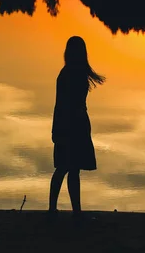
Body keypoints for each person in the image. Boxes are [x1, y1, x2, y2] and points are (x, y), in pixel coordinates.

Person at [48, 36, 105, 220]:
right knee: (66, 168)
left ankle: (68, 210)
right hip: (73, 124)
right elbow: (62, 104)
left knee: (70, 168)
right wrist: (57, 129)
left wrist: (56, 128)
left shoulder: (70, 73)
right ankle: (60, 210)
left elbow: (60, 104)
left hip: (74, 124)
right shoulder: (70, 74)